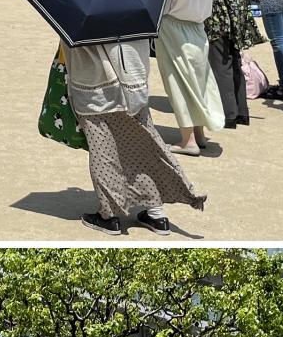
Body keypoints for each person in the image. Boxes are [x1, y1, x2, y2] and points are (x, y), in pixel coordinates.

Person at [63, 34, 206, 235]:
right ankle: (155, 212)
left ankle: (109, 215)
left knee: (102, 149)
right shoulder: (139, 4)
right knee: (144, 145)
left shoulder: (80, 5)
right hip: (133, 79)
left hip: (94, 85)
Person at [154, 0, 226, 158]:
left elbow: (165, 1)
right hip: (198, 28)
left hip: (174, 26)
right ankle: (199, 134)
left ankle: (188, 139)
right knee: (197, 81)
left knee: (178, 82)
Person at [204, 0, 258, 129]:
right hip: (240, 16)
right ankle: (242, 112)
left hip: (219, 16)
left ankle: (229, 115)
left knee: (221, 65)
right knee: (235, 62)